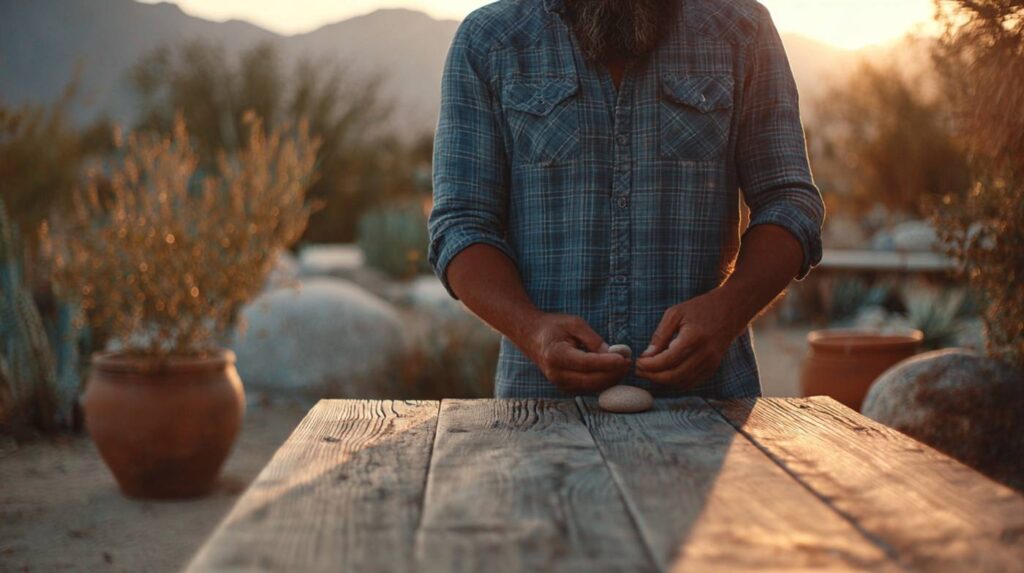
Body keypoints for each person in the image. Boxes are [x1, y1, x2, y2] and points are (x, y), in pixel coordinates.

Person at [428, 0, 825, 399]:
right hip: (541, 414)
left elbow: (788, 201)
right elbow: (461, 225)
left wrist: (728, 310)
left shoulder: (742, 30)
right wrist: (532, 330)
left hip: (713, 407)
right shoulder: (489, 41)